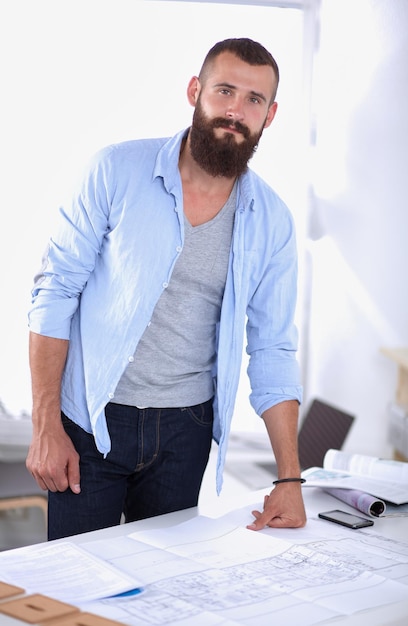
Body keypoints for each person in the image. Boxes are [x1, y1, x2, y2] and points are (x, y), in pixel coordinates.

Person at [27, 37, 306, 540]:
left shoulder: (273, 222)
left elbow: (273, 347)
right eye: (224, 90)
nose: (235, 111)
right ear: (195, 90)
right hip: (90, 420)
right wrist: (46, 425)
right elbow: (55, 292)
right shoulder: (116, 170)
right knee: (74, 590)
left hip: (186, 432)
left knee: (162, 592)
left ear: (270, 115)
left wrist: (289, 477)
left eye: (253, 100)